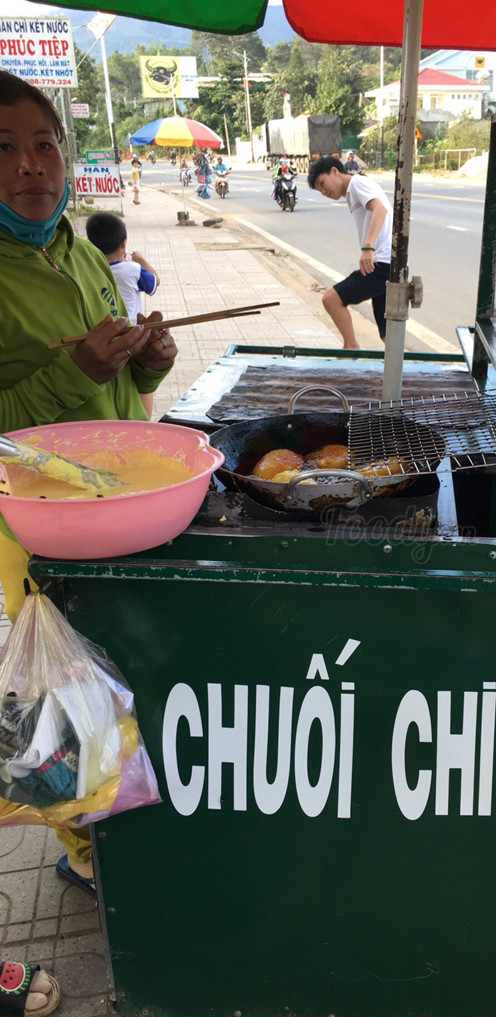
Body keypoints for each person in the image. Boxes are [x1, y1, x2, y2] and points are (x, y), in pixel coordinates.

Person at [0, 70, 178, 894]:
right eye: (3, 148)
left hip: (116, 501)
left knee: (118, 672)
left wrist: (151, 360)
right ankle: (85, 850)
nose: (28, 165)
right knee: (63, 695)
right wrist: (74, 371)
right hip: (34, 522)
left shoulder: (79, 249)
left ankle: (126, 816)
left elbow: (120, 380)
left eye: (43, 144)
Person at [308, 155, 392, 349]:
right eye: (320, 190)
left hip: (383, 264)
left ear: (334, 171)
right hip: (388, 264)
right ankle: (400, 367)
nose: (324, 192)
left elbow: (380, 209)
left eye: (323, 184)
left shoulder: (356, 184)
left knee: (331, 299)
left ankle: (351, 347)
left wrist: (368, 247)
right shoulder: (355, 188)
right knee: (388, 335)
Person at [85, 211, 161, 418]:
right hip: (135, 335)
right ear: (123, 244)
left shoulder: (88, 269)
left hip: (104, 337)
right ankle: (143, 424)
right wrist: (142, 260)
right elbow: (154, 283)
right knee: (142, 383)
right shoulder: (132, 269)